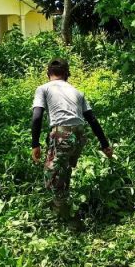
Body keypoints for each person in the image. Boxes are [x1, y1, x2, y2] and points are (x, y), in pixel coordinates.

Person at [31, 59, 113, 221]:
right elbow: (92, 119)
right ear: (67, 75)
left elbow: (37, 117)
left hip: (62, 133)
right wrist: (105, 145)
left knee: (51, 174)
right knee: (65, 170)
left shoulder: (43, 88)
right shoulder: (77, 91)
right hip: (80, 135)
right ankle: (63, 206)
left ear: (48, 74)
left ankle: (65, 218)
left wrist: (35, 144)